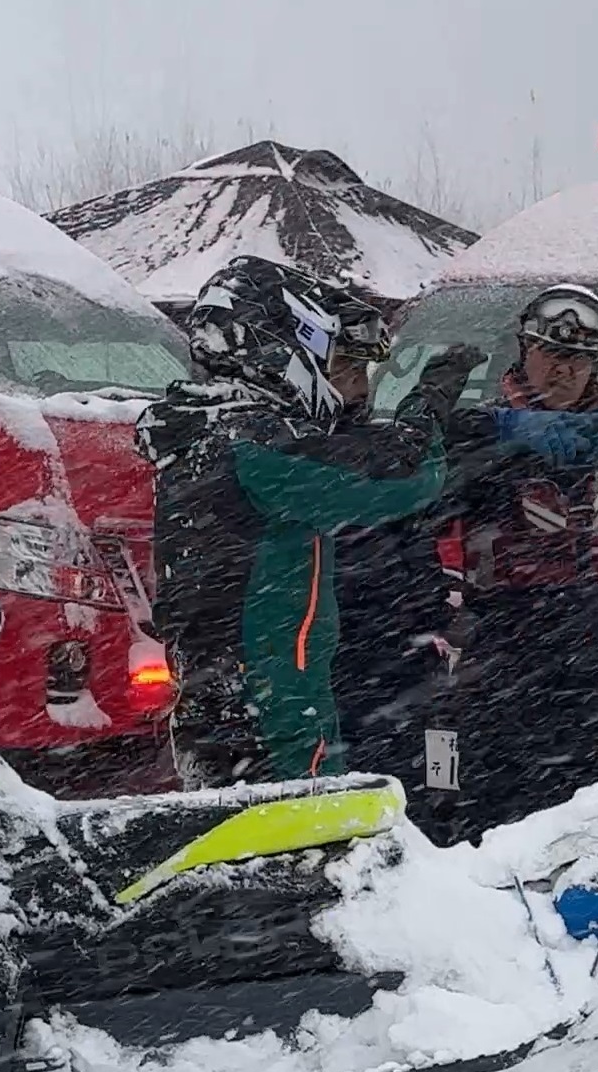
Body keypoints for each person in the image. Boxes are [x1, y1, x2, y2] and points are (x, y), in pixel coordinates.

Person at [135, 255, 458, 788]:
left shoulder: (205, 432)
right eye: (343, 365)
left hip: (226, 704)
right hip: (272, 715)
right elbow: (402, 479)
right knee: (297, 851)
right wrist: (427, 409)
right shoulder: (253, 444)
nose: (354, 386)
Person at [436, 284, 598, 835]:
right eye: (553, 353)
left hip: (593, 642)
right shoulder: (486, 433)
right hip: (504, 643)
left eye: (582, 359)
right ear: (525, 351)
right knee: (497, 804)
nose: (566, 370)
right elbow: (423, 518)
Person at [322, 291, 459, 796]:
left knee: (439, 771)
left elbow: (412, 532)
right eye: (345, 370)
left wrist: (432, 612)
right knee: (366, 796)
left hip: (406, 654)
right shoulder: (299, 448)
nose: (360, 388)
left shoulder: (373, 443)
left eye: (365, 372)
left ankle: (444, 824)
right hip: (348, 661)